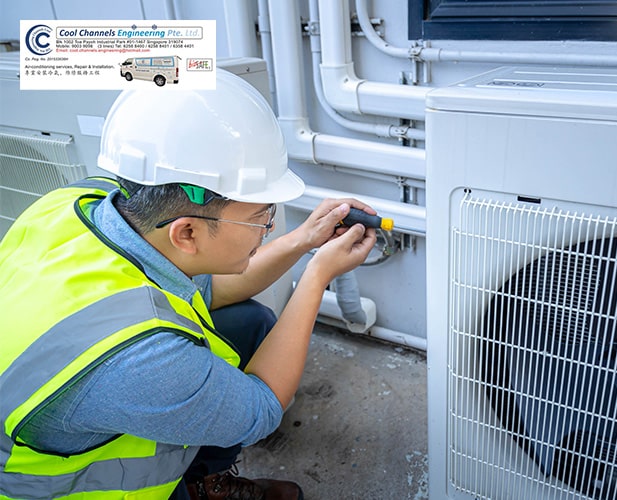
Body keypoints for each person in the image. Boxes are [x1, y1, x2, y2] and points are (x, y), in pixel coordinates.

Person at [0, 70, 377, 499]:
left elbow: (208, 292)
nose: (269, 228)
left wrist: (306, 240)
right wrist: (317, 275)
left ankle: (202, 479)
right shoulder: (140, 361)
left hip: (89, 401)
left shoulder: (87, 205)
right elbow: (261, 408)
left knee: (249, 323)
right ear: (187, 233)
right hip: (70, 488)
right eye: (260, 218)